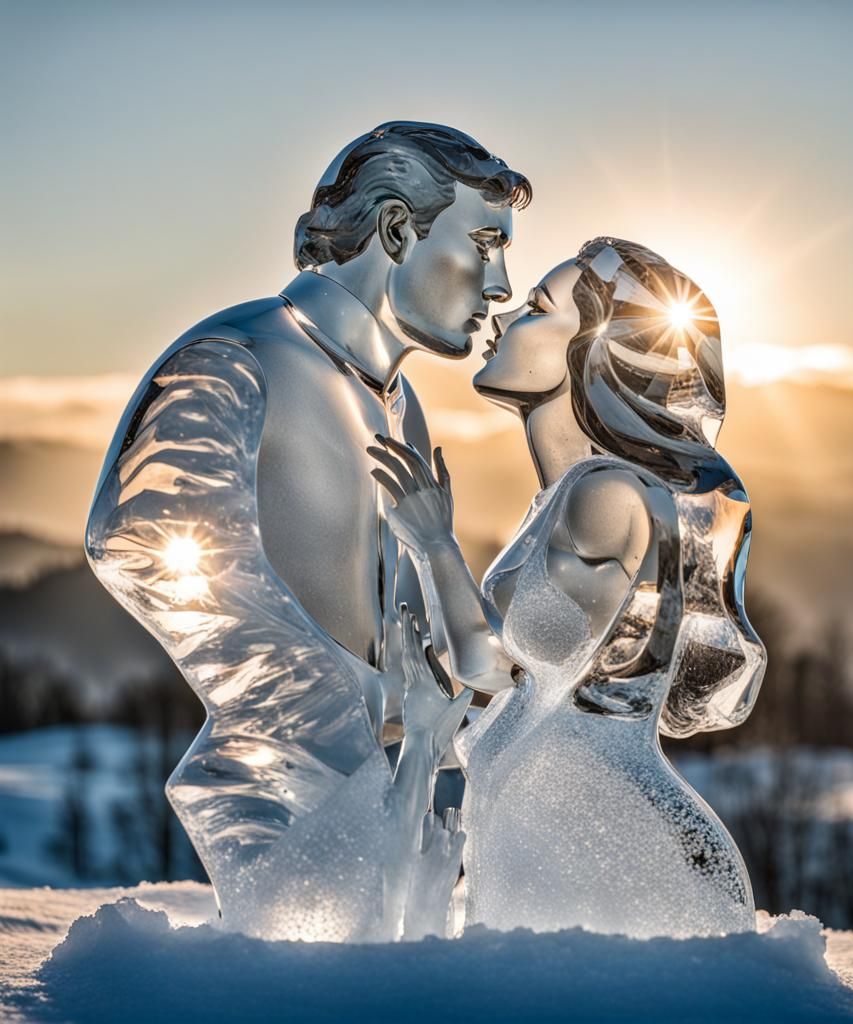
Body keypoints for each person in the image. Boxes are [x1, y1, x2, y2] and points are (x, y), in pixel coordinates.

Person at [85, 123, 530, 941]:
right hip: (278, 799)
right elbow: (142, 543)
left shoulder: (400, 403)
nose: (500, 282)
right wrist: (354, 698)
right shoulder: (235, 355)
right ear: (398, 229)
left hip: (400, 802)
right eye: (486, 243)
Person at [370, 238, 766, 938]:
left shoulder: (607, 497)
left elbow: (504, 663)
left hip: (606, 833)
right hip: (557, 814)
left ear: (591, 349)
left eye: (535, 309)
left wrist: (434, 544)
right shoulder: (572, 496)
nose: (501, 319)